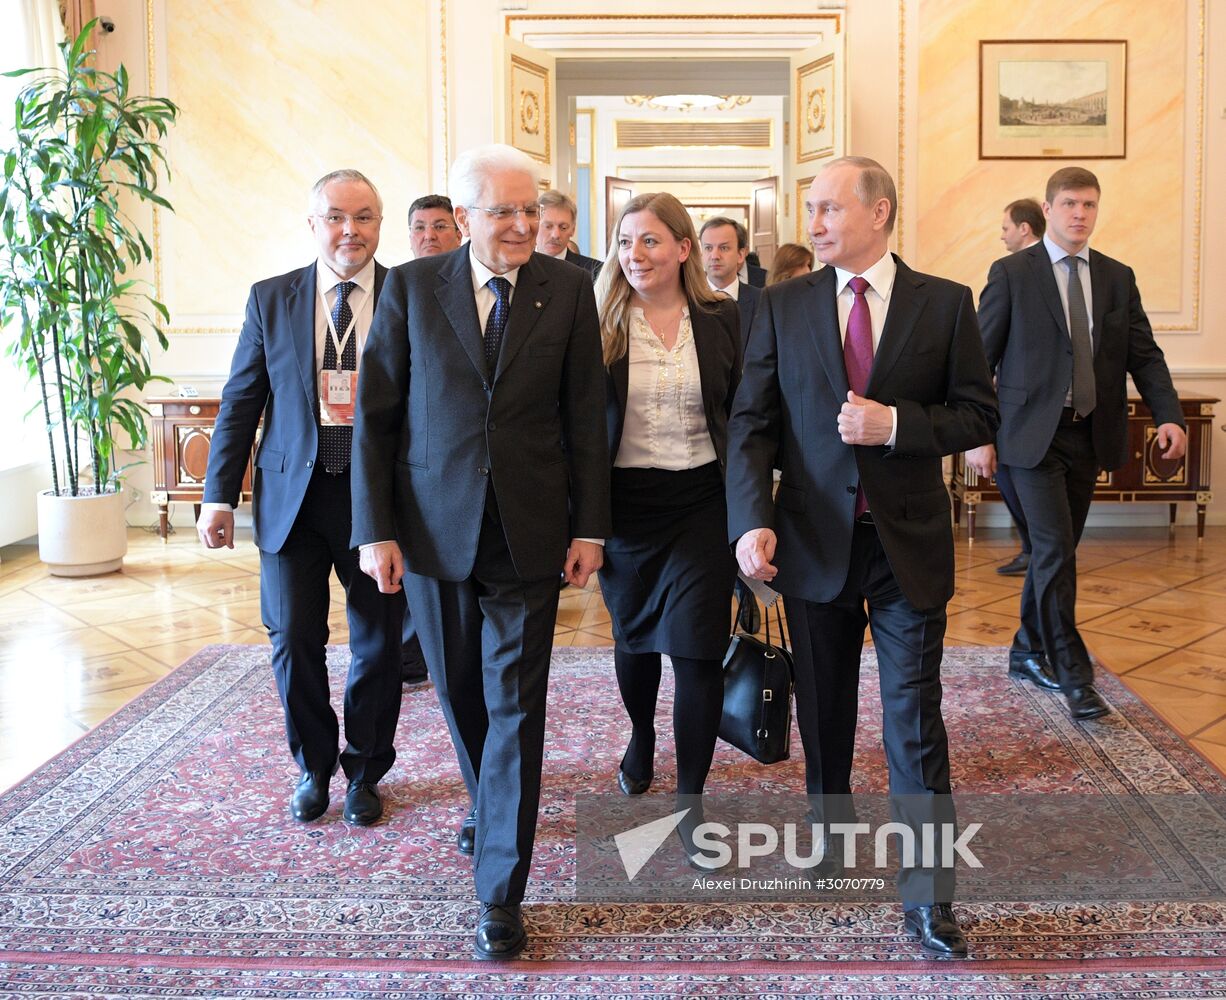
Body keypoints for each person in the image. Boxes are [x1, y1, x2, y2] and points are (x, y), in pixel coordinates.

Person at [727, 156, 998, 958]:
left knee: (915, 717)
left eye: (827, 208)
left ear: (878, 211)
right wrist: (750, 519)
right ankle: (832, 835)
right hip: (809, 546)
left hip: (907, 544)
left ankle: (929, 896)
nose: (812, 222)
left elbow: (977, 412)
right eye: (810, 209)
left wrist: (899, 427)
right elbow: (752, 424)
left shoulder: (945, 304)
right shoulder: (779, 305)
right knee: (825, 709)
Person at [351, 144, 610, 961]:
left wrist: (590, 528)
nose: (523, 224)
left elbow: (586, 419)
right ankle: (490, 800)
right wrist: (376, 530)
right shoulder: (409, 288)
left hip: (531, 532)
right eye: (504, 212)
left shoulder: (567, 289)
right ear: (463, 219)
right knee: (462, 693)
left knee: (516, 705)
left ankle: (501, 888)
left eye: (530, 209)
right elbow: (377, 418)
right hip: (431, 530)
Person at [196, 169, 404, 828]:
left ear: (379, 222)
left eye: (365, 216)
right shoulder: (272, 298)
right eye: (336, 217)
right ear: (312, 224)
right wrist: (218, 495)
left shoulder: (410, 295)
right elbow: (241, 401)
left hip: (379, 505)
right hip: (294, 499)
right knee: (292, 639)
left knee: (378, 645)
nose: (351, 230)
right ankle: (315, 764)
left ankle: (366, 767)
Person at [968, 167, 1185, 720]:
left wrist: (1171, 416)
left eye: (1089, 204)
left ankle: (1025, 650)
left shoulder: (1116, 277)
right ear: (1048, 209)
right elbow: (978, 360)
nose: (1079, 214)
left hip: (1090, 436)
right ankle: (1074, 674)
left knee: (1051, 554)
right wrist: (976, 436)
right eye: (1069, 203)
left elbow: (1145, 356)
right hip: (1028, 440)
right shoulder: (1013, 272)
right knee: (1056, 552)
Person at [594, 192, 741, 868]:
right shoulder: (599, 322)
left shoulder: (723, 320)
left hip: (703, 503)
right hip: (625, 506)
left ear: (683, 249)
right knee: (634, 640)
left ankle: (691, 797)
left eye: (649, 241)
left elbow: (746, 417)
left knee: (697, 650)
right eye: (626, 243)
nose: (635, 256)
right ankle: (640, 734)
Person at [991, 198, 1046, 578]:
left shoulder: (1012, 272)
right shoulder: (1011, 270)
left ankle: (1036, 550)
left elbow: (986, 343)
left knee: (1012, 480)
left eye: (1006, 227)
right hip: (1018, 406)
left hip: (1025, 411)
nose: (1002, 235)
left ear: (1024, 228)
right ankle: (1035, 549)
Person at [699, 216, 761, 352]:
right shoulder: (686, 300)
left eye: (724, 248)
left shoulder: (762, 302)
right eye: (708, 248)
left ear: (741, 254)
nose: (714, 256)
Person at [537, 189, 602, 280]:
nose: (556, 235)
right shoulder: (518, 266)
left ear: (573, 229)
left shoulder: (595, 271)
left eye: (563, 227)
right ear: (534, 226)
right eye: (548, 226)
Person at [408, 194, 463, 258]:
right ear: (410, 239)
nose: (429, 236)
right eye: (420, 228)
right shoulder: (398, 268)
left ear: (458, 237)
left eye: (439, 227)